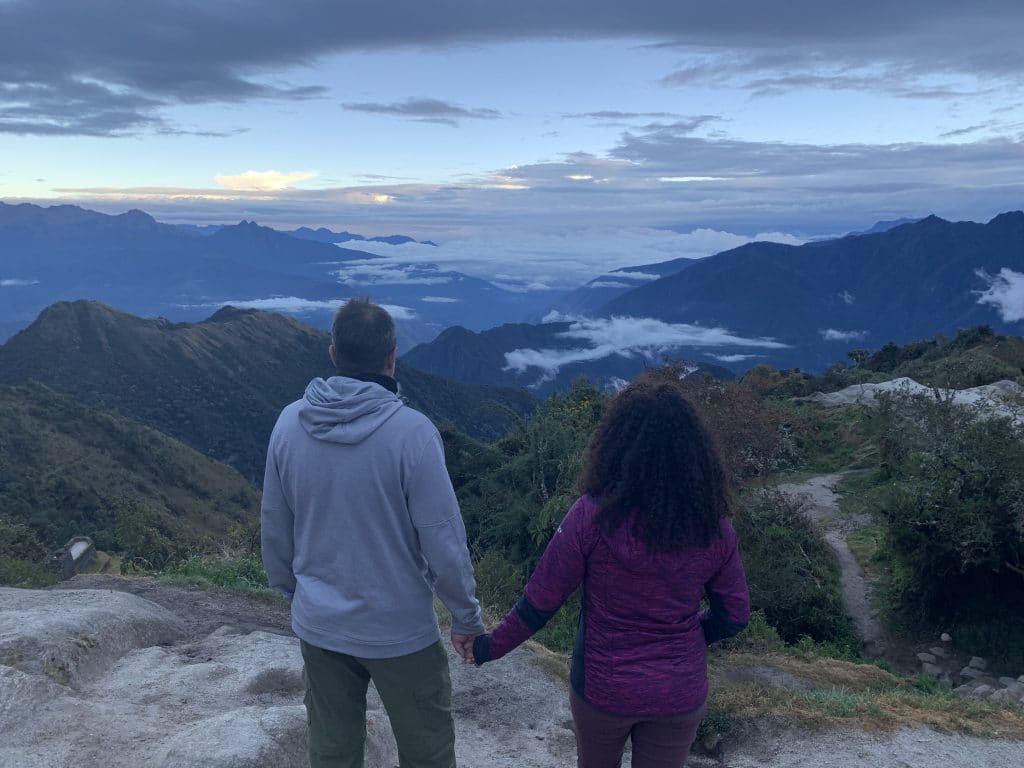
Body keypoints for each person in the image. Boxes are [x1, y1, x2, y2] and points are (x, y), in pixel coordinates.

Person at [472, 375, 750, 768]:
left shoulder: (590, 518)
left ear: (616, 445)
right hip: (679, 692)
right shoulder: (715, 529)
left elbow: (539, 603)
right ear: (695, 455)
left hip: (603, 690)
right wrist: (686, 638)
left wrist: (486, 648)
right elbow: (735, 616)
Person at [261, 297, 483, 768]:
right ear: (392, 356)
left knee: (331, 751)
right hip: (399, 628)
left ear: (333, 352)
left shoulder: (289, 424)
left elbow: (275, 525)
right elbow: (443, 540)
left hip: (320, 623)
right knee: (428, 751)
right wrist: (466, 617)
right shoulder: (412, 434)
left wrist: (293, 592)